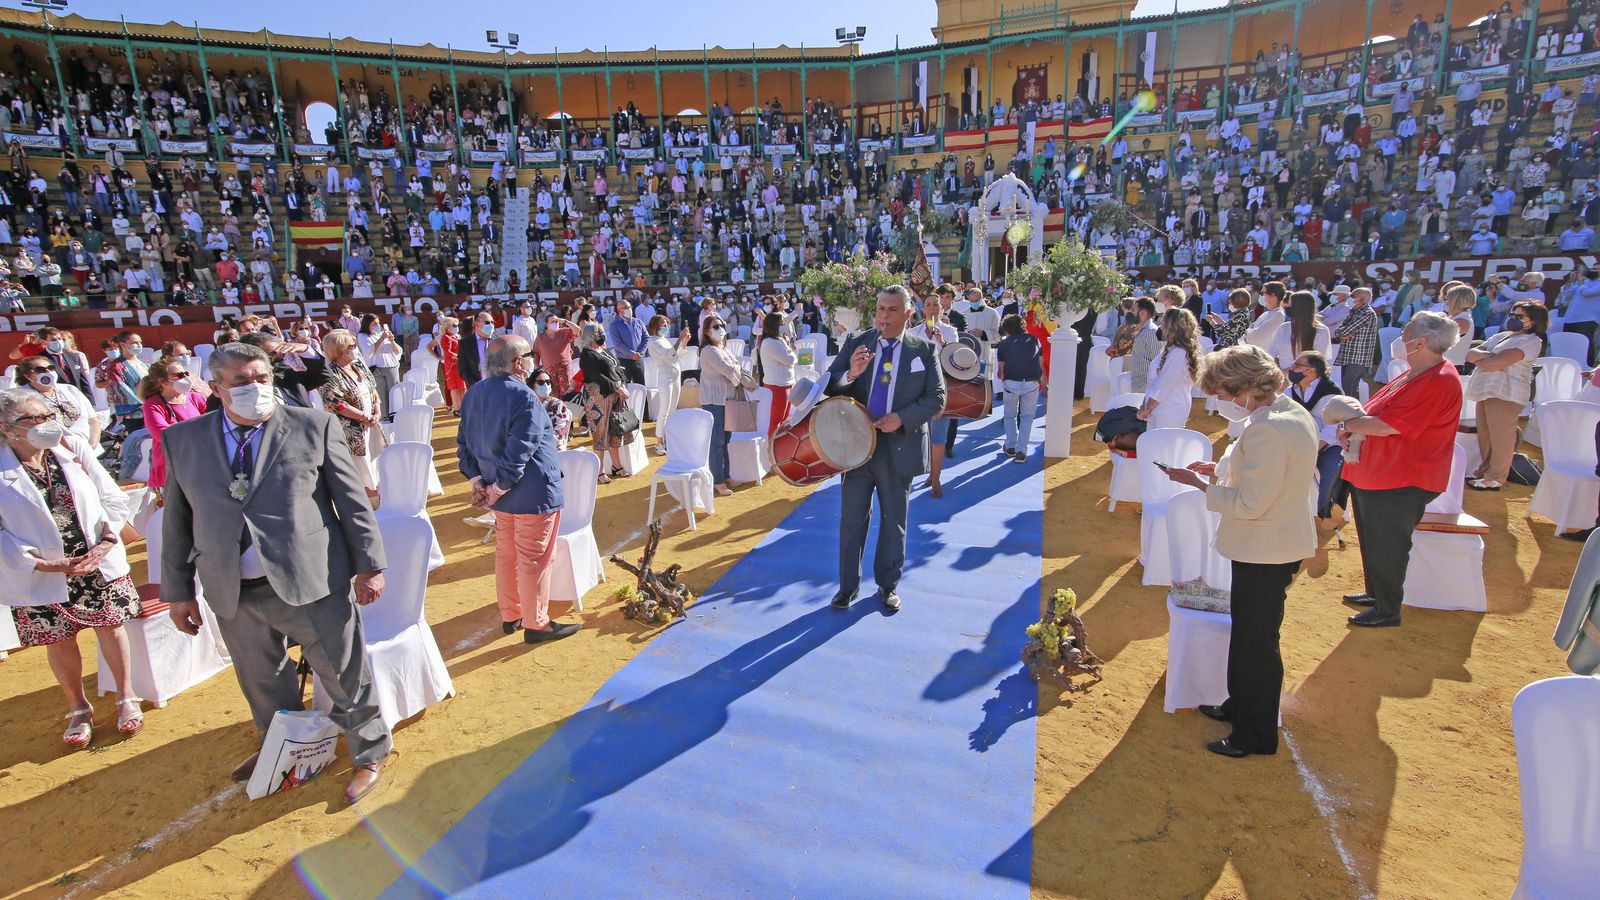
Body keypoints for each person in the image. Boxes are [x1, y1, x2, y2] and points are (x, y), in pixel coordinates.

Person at [161, 342, 391, 804]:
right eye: (242, 382)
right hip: (232, 586)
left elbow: (352, 503)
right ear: (216, 387)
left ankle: (369, 750)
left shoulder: (313, 426)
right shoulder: (184, 440)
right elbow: (178, 519)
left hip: (311, 579)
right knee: (260, 678)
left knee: (343, 673)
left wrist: (370, 566)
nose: (256, 388)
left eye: (262, 378)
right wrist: (178, 591)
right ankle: (282, 743)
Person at [1162, 342, 1318, 758]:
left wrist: (1201, 486)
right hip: (1270, 545)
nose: (1220, 401)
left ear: (1243, 386)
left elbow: (1251, 502)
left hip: (1265, 549)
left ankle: (1255, 734)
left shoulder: (1267, 426)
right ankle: (1239, 706)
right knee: (1251, 635)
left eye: (1223, 393)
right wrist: (1217, 469)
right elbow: (1265, 472)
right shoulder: (1285, 411)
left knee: (1255, 643)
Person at [0, 391, 143, 748]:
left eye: (47, 414)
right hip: (42, 572)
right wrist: (43, 563)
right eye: (30, 419)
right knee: (59, 639)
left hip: (96, 560)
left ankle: (126, 695)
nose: (44, 423)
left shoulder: (73, 448)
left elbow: (111, 496)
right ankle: (78, 706)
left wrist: (109, 538)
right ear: (5, 429)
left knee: (111, 627)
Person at [1337, 312, 1463, 628]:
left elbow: (1388, 425)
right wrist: (1353, 427)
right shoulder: (1418, 371)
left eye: (1406, 332)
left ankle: (1387, 608)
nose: (1399, 337)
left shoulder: (1438, 379)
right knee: (1373, 538)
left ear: (1420, 342)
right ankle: (1377, 593)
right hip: (1378, 472)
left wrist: (1348, 424)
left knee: (1388, 544)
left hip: (1400, 477)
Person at [825, 286, 946, 612]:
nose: (884, 316)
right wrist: (851, 373)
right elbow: (830, 383)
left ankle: (887, 585)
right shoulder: (857, 343)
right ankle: (847, 587)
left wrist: (901, 418)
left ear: (909, 314)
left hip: (900, 447)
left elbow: (937, 398)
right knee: (851, 520)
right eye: (881, 309)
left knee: (895, 521)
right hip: (858, 449)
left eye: (892, 310)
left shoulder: (924, 350)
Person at [457, 336, 579, 643]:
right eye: (529, 355)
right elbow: (520, 449)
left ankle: (511, 614)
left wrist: (480, 483)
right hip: (532, 492)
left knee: (507, 555)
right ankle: (536, 622)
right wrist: (495, 488)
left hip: (502, 494)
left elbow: (464, 445)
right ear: (517, 363)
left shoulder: (473, 394)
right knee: (533, 559)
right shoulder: (523, 396)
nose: (533, 360)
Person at [1465, 302, 1547, 491]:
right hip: (1487, 391)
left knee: (1501, 437)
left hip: (1506, 394)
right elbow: (1471, 354)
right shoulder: (1500, 337)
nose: (1514, 319)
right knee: (1486, 435)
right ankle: (1483, 471)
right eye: (1513, 314)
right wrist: (1490, 356)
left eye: (1520, 317)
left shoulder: (1531, 341)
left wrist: (1486, 357)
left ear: (1533, 322)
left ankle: (1495, 478)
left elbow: (1495, 363)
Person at [319, 330, 386, 496]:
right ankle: (371, 503)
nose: (355, 349)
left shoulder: (358, 365)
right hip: (353, 432)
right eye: (351, 346)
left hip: (373, 425)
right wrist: (364, 417)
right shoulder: (330, 373)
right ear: (339, 349)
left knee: (378, 464)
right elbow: (337, 404)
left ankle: (380, 496)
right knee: (362, 470)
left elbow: (372, 390)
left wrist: (376, 412)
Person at [1287, 351, 1346, 518]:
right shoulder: (1291, 391)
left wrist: (1316, 446)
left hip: (1328, 444)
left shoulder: (1332, 392)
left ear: (1311, 371)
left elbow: (1334, 426)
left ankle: (1327, 511)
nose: (1292, 369)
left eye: (1296, 366)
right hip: (1300, 443)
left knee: (1330, 471)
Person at [137, 358, 208, 492]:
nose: (185, 378)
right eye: (178, 375)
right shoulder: (153, 404)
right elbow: (163, 435)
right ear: (162, 381)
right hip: (171, 469)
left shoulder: (195, 397)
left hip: (199, 463)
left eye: (185, 373)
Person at [918, 291, 959, 496]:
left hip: (941, 388)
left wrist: (942, 343)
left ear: (942, 308)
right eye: (929, 304)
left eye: (936, 304)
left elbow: (956, 359)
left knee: (939, 436)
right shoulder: (913, 332)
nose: (932, 308)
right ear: (923, 309)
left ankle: (936, 478)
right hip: (917, 390)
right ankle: (930, 472)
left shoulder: (950, 331)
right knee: (923, 436)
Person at [697, 314, 742, 496]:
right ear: (707, 332)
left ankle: (726, 475)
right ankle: (718, 481)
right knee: (717, 442)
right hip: (714, 401)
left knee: (726, 441)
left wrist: (734, 371)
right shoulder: (709, 350)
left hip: (727, 400)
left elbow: (736, 367)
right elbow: (730, 370)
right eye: (716, 326)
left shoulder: (723, 348)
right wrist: (734, 372)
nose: (720, 329)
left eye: (722, 325)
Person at [13, 354, 99, 448]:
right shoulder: (21, 398)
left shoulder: (70, 389)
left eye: (51, 368)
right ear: (28, 376)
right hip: (57, 455)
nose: (48, 372)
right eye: (40, 370)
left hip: (90, 450)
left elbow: (93, 420)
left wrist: (92, 445)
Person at [1138, 307, 1200, 430]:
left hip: (1169, 411)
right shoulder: (1170, 349)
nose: (1161, 326)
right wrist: (1145, 405)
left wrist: (1148, 407)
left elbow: (1165, 384)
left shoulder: (1178, 352)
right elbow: (1156, 382)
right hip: (1159, 409)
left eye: (1163, 323)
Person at [996, 313, 1042, 460]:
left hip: (1011, 382)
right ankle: (1022, 449)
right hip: (1032, 381)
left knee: (1010, 415)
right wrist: (1044, 382)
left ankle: (1010, 445)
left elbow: (1000, 371)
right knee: (1027, 416)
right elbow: (1040, 363)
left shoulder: (1003, 344)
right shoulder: (1034, 340)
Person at [645, 314, 688, 455]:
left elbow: (677, 355)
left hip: (675, 377)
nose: (666, 327)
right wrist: (680, 338)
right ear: (655, 326)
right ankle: (659, 442)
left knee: (672, 410)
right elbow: (668, 354)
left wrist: (684, 342)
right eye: (663, 324)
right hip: (665, 379)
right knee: (664, 411)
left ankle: (669, 439)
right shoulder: (653, 341)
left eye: (667, 324)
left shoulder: (663, 339)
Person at [1330, 286, 1380, 395]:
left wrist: (1343, 333)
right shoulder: (1354, 311)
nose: (1350, 298)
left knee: (1349, 386)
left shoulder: (1366, 313)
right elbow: (1339, 331)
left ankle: (1353, 411)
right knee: (1347, 386)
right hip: (1349, 355)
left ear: (1362, 299)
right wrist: (1342, 333)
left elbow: (1344, 331)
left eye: (1353, 296)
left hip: (1358, 357)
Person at [756, 311, 798, 435]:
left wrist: (790, 351)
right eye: (781, 323)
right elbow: (790, 360)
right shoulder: (770, 343)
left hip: (786, 382)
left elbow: (791, 357)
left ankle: (779, 447)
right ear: (774, 325)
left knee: (784, 420)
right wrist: (791, 352)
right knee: (776, 420)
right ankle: (772, 448)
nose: (782, 326)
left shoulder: (779, 340)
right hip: (777, 385)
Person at [1266, 290, 1331, 369]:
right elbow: (1271, 353)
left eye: (1290, 304)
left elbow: (1319, 360)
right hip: (1283, 378)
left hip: (1308, 378)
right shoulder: (1284, 328)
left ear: (1299, 308)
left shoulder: (1321, 331)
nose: (1286, 306)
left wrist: (1290, 372)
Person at [357, 314, 402, 419]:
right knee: (380, 393)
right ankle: (384, 417)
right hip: (376, 368)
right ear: (367, 325)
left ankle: (396, 415)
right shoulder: (362, 336)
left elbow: (397, 351)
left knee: (394, 392)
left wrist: (391, 340)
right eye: (374, 324)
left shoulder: (383, 333)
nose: (377, 325)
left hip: (391, 365)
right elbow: (370, 352)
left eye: (378, 323)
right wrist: (382, 338)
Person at [534, 311, 581, 398]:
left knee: (566, 390)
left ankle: (566, 407)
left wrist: (565, 321)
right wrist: (537, 367)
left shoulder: (564, 332)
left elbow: (577, 330)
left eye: (556, 321)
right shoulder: (540, 337)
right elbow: (536, 353)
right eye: (552, 322)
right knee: (553, 392)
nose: (555, 324)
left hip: (564, 367)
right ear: (546, 324)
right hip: (549, 369)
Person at [605, 298, 648, 386]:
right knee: (626, 386)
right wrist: (632, 354)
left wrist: (640, 352)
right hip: (624, 360)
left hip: (638, 359)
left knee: (641, 386)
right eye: (625, 308)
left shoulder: (638, 322)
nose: (628, 309)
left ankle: (643, 400)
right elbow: (618, 344)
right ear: (619, 311)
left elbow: (646, 337)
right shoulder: (614, 325)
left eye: (629, 307)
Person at [529, 368, 573, 450]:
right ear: (532, 385)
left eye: (548, 382)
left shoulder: (558, 406)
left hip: (552, 451)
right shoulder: (527, 404)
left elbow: (558, 435)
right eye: (541, 382)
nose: (545, 385)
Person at [1127, 297, 1161, 392]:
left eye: (1133, 310)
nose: (1129, 312)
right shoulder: (1140, 330)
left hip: (1146, 385)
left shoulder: (1151, 332)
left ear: (1143, 313)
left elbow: (1158, 361)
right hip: (1137, 383)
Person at [456, 312, 497, 388]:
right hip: (477, 388)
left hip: (497, 387)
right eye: (487, 322)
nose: (491, 325)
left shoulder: (499, 342)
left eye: (492, 322)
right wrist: (476, 385)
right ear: (476, 324)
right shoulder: (465, 344)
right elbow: (463, 369)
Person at [435, 316, 466, 414]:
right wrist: (459, 356)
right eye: (453, 325)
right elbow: (447, 352)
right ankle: (456, 408)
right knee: (454, 387)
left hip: (459, 364)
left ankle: (463, 407)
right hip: (451, 366)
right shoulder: (445, 337)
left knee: (462, 386)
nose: (456, 327)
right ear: (447, 327)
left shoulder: (456, 336)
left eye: (456, 325)